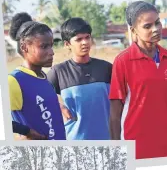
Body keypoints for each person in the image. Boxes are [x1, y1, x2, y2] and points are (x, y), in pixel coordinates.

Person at [109, 1, 167, 159]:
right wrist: (116, 149)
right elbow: (115, 112)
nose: (155, 29)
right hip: (135, 144)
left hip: (166, 141)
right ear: (134, 30)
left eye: (157, 23)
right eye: (147, 26)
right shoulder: (123, 61)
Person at [46, 17, 112, 140]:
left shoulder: (106, 68)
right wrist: (58, 106)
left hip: (107, 140)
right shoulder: (59, 71)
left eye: (87, 37)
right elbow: (38, 96)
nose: (85, 42)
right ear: (67, 44)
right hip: (75, 142)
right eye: (79, 39)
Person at [8, 12, 66, 140]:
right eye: (44, 46)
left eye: (51, 45)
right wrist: (26, 132)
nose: (51, 52)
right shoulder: (15, 81)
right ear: (24, 47)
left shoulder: (44, 78)